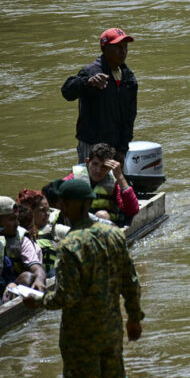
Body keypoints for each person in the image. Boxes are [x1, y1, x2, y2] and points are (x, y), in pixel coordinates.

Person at [22, 179, 143, 378]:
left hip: (80, 337)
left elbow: (67, 297)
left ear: (71, 205)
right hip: (111, 329)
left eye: (65, 204)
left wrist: (38, 300)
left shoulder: (70, 245)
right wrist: (134, 318)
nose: (63, 208)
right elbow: (131, 281)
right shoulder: (114, 235)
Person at [62, 28, 137, 165]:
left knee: (112, 185)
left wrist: (122, 148)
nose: (123, 51)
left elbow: (129, 117)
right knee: (88, 183)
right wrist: (87, 82)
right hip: (91, 145)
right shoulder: (91, 72)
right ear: (105, 49)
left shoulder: (129, 78)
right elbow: (67, 92)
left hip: (115, 146)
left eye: (125, 47)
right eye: (118, 47)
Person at [64, 142, 140, 227]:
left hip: (104, 230)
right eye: (95, 164)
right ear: (88, 162)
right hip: (79, 227)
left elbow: (133, 210)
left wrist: (120, 176)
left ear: (109, 168)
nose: (98, 171)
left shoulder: (113, 183)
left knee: (102, 215)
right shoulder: (74, 179)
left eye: (104, 167)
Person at [0, 196, 47, 303]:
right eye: (12, 219)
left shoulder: (21, 238)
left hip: (11, 288)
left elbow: (37, 269)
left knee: (28, 277)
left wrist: (39, 280)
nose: (17, 223)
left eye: (17, 218)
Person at [17, 189, 64, 277]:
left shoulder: (55, 229)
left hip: (51, 277)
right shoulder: (16, 232)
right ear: (29, 211)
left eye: (48, 210)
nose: (47, 214)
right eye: (42, 210)